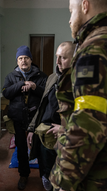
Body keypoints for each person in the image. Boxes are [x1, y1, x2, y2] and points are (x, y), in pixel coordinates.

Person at [50, 0, 107, 190]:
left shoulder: (95, 47)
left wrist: (61, 180)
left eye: (71, 10)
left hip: (92, 176)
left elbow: (87, 121)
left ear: (85, 6)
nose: (69, 19)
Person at [26, 42, 75, 191]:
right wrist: (32, 128)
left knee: (62, 176)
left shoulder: (79, 82)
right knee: (44, 167)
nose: (58, 62)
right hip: (44, 132)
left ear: (74, 58)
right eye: (57, 57)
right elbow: (42, 105)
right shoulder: (52, 77)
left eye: (63, 58)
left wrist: (64, 128)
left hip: (64, 138)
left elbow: (87, 116)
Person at [2, 45, 47, 190]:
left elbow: (46, 95)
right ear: (17, 61)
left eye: (26, 58)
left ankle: (44, 176)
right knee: (21, 148)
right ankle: (23, 174)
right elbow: (6, 93)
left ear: (31, 59)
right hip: (18, 117)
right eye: (20, 58)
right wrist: (21, 83)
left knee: (39, 147)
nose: (23, 61)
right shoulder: (11, 76)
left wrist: (34, 86)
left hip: (36, 118)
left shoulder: (41, 76)